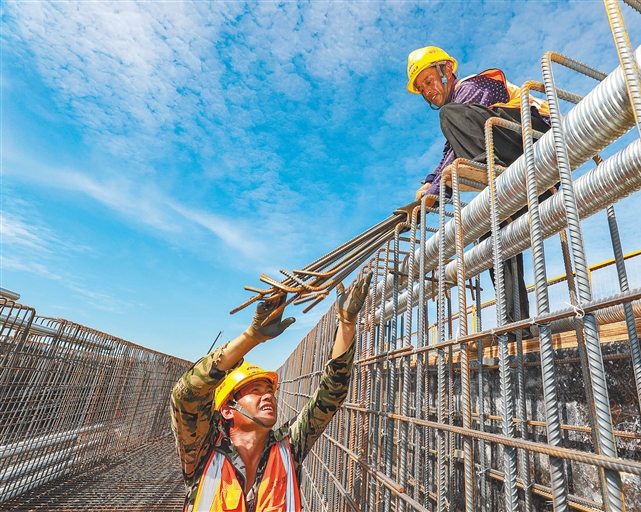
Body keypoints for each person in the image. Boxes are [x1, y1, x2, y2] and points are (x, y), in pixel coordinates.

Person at [170, 273, 372, 512]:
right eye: (254, 391)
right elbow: (187, 395)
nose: (268, 395)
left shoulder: (289, 446)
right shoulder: (202, 450)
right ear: (226, 409)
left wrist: (347, 324)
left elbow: (331, 394)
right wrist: (251, 337)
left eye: (269, 390)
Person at [407, 46, 555, 325]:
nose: (427, 91)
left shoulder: (472, 87)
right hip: (516, 157)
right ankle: (516, 322)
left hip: (536, 137)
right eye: (421, 89)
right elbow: (451, 151)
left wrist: (436, 191)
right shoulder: (459, 114)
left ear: (446, 70)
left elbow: (456, 153)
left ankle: (488, 164)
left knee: (449, 115)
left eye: (428, 81)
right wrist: (430, 183)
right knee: (493, 237)